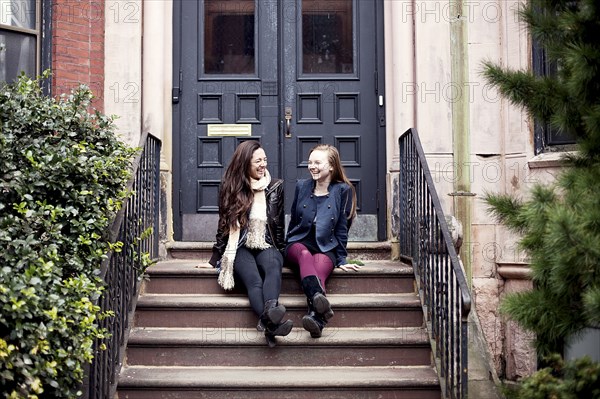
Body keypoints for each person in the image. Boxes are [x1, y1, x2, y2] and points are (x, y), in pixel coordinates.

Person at [209, 140, 292, 347]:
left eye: (265, 160)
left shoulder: (276, 186)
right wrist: (215, 258)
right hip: (240, 245)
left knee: (273, 266)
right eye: (258, 161)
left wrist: (281, 253)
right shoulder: (231, 186)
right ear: (245, 163)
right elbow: (224, 224)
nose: (263, 164)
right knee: (254, 281)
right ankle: (272, 323)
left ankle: (269, 319)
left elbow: (278, 224)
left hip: (266, 242)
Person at [285, 144, 362, 338]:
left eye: (317, 162)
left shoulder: (342, 190)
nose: (312, 166)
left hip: (326, 244)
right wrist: (285, 244)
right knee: (304, 255)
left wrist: (341, 258)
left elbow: (342, 228)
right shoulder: (302, 186)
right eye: (310, 162)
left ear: (331, 167)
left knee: (319, 269)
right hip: (299, 242)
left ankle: (316, 319)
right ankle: (317, 300)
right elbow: (294, 219)